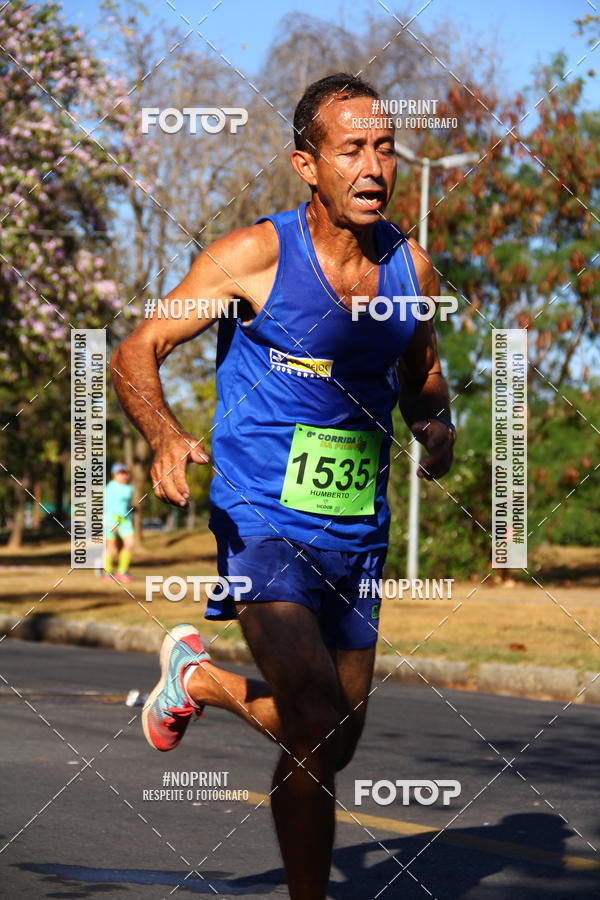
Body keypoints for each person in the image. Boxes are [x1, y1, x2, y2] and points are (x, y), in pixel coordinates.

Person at [110, 72, 455, 899]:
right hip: (258, 515)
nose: (372, 167)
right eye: (350, 151)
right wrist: (163, 435)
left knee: (334, 739)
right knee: (309, 717)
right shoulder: (251, 259)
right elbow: (137, 349)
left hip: (354, 530)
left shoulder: (412, 268)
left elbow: (423, 370)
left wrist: (435, 429)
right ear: (307, 165)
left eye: (385, 148)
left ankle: (197, 681)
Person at [103, 462, 135, 582]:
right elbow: (106, 506)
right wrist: (110, 522)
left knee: (130, 544)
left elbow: (126, 506)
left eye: (124, 473)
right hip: (111, 519)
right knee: (112, 549)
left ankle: (122, 572)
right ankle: (107, 573)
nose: (123, 476)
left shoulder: (129, 488)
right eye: (120, 473)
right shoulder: (110, 487)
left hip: (125, 520)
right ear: (114, 475)